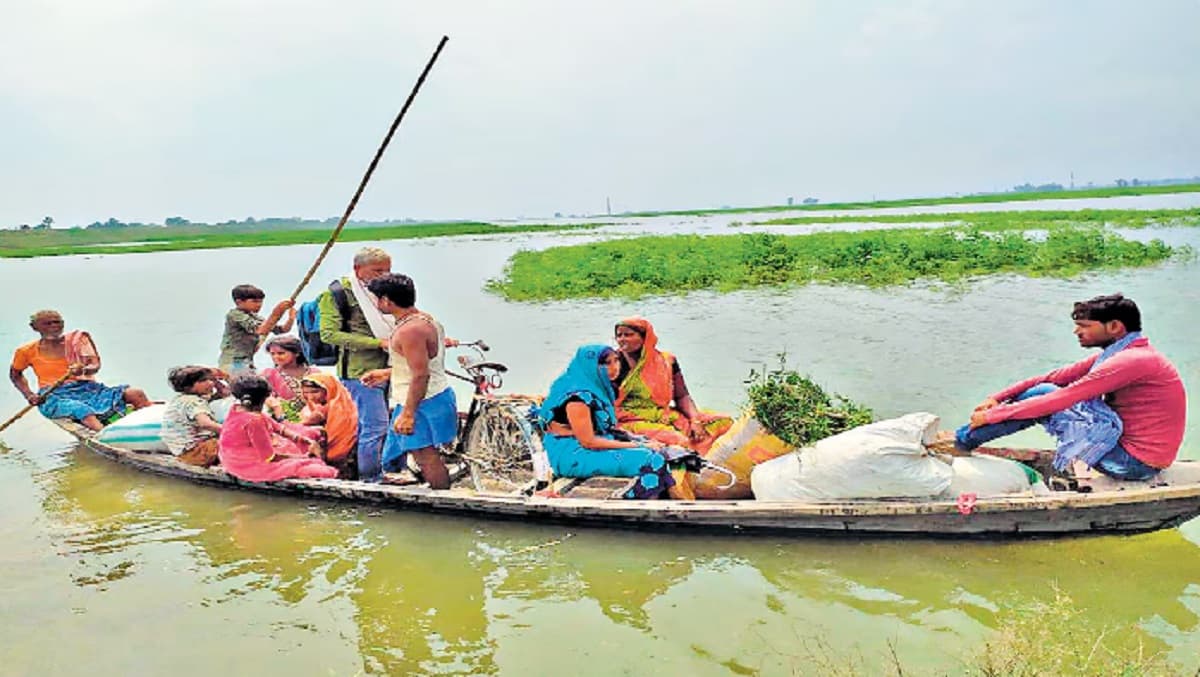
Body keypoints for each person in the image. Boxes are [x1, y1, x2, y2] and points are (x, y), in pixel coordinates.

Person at [951, 294, 1186, 480]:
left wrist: (993, 416)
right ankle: (963, 439)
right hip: (1132, 455)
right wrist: (997, 398)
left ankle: (960, 442)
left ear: (1114, 327)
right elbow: (1056, 377)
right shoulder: (1125, 353)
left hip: (1134, 465)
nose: (1077, 331)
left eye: (1084, 325)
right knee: (1044, 388)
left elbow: (1062, 398)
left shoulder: (1130, 361)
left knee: (1045, 395)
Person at [537, 344, 683, 500]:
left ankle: (655, 493)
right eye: (607, 363)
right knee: (653, 460)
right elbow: (589, 442)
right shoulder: (577, 399)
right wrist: (639, 445)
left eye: (616, 361)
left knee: (659, 448)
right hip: (571, 454)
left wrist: (639, 440)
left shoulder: (597, 386)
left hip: (588, 443)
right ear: (590, 366)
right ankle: (628, 500)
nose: (615, 368)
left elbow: (604, 430)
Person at [363, 273, 457, 489]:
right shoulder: (425, 319)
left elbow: (421, 374)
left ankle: (443, 501)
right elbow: (421, 364)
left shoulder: (410, 330)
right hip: (434, 393)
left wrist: (408, 414)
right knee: (425, 454)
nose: (377, 303)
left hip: (421, 400)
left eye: (378, 299)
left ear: (387, 300)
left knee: (425, 456)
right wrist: (386, 373)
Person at [316, 247, 395, 482]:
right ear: (358, 269)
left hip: (391, 366)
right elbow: (329, 334)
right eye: (377, 270)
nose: (384, 275)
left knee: (393, 424)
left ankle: (392, 470)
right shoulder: (338, 294)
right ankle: (371, 479)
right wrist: (376, 343)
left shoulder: (384, 291)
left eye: (388, 270)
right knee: (375, 426)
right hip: (360, 371)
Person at [9, 310, 151, 431]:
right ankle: (106, 439)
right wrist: (29, 395)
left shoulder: (77, 342)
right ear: (35, 327)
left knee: (136, 393)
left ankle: (152, 427)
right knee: (82, 410)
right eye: (48, 323)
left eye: (57, 322)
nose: (54, 326)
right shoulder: (25, 351)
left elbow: (94, 366)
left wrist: (82, 370)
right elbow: (16, 375)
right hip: (54, 396)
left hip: (87, 389)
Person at [612, 317, 733, 454]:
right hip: (630, 420)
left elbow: (682, 396)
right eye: (619, 335)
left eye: (628, 335)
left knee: (722, 422)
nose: (622, 339)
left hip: (665, 414)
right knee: (678, 440)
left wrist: (695, 420)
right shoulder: (613, 363)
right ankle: (688, 471)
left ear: (645, 337)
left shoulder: (667, 361)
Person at [217, 373, 339, 482]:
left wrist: (301, 439)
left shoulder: (237, 409)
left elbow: (279, 427)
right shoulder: (254, 420)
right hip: (246, 466)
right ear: (265, 398)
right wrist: (305, 457)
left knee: (307, 436)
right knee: (323, 471)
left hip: (231, 459)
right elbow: (270, 457)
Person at [161, 365, 228, 467]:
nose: (211, 383)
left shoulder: (181, 399)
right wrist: (231, 431)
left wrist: (218, 387)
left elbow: (218, 396)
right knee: (234, 442)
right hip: (197, 452)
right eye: (203, 380)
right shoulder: (194, 402)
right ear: (188, 386)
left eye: (211, 379)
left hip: (185, 453)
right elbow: (205, 424)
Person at [218, 284, 295, 373]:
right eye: (254, 301)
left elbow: (281, 330)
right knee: (245, 384)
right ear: (239, 302)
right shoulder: (235, 314)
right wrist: (277, 311)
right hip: (234, 361)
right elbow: (261, 330)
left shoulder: (255, 317)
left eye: (260, 301)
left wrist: (291, 318)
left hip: (246, 360)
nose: (259, 305)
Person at [296, 372, 359, 478]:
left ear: (328, 389)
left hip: (344, 456)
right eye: (306, 392)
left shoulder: (338, 406)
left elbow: (306, 422)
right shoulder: (314, 406)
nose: (310, 397)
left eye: (315, 392)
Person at [261, 335, 318, 421]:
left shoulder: (314, 373)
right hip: (282, 420)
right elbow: (265, 398)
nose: (276, 357)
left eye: (281, 353)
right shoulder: (269, 375)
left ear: (297, 353)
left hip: (314, 418)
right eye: (272, 354)